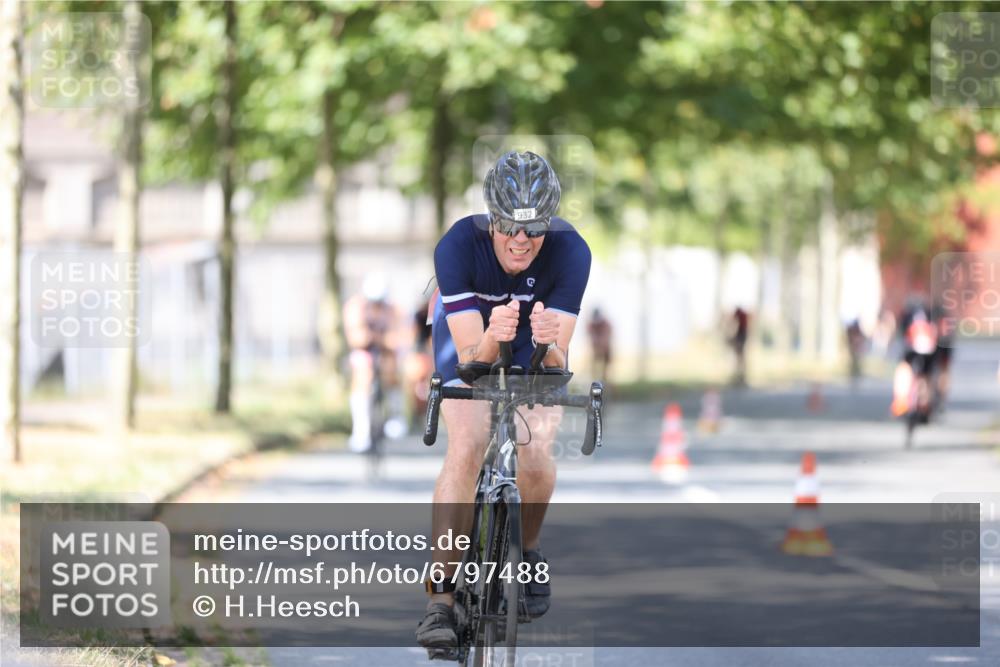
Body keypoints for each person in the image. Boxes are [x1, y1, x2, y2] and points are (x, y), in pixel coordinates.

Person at [415, 151, 592, 651]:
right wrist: (495, 336)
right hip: (468, 336)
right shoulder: (457, 246)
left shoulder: (571, 251)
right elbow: (472, 358)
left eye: (534, 229)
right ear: (490, 219)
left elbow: (557, 363)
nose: (520, 239)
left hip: (530, 342)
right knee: (468, 443)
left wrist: (548, 343)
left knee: (537, 449)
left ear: (548, 225)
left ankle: (528, 549)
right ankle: (441, 600)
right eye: (508, 226)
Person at [342, 275, 400, 453]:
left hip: (385, 352)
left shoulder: (392, 309)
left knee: (392, 369)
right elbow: (356, 338)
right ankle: (361, 431)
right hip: (364, 351)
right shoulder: (355, 306)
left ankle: (395, 416)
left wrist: (382, 341)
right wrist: (378, 339)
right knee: (362, 374)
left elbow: (397, 338)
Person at [891, 297, 939, 417]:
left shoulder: (908, 316)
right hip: (929, 350)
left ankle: (901, 400)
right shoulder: (930, 315)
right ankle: (924, 402)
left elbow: (903, 335)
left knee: (904, 367)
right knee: (926, 375)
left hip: (913, 349)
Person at [587, 307, 613, 386]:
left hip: (606, 348)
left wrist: (602, 345)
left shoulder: (606, 324)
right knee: (594, 365)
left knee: (606, 368)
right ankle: (594, 381)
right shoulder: (590, 325)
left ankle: (605, 382)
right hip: (595, 348)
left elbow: (605, 337)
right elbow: (592, 337)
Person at [729, 306, 750, 386]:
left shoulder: (740, 315)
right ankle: (740, 376)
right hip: (741, 335)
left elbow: (735, 325)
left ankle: (741, 376)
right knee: (740, 357)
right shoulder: (742, 315)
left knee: (740, 357)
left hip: (741, 335)